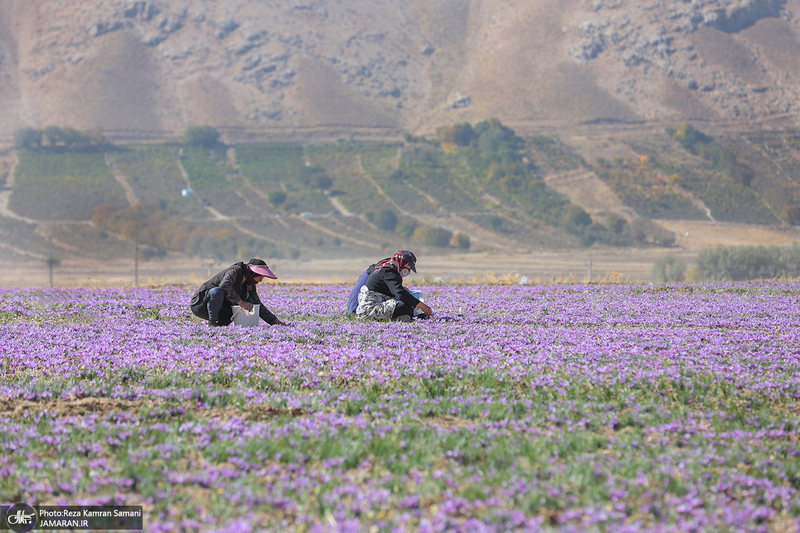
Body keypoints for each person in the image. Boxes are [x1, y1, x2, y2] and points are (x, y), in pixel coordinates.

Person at [190, 258, 286, 327]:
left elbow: (258, 304)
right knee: (217, 291)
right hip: (201, 305)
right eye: (260, 277)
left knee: (250, 300)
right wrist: (241, 302)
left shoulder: (250, 284)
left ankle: (219, 327)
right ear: (253, 273)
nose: (260, 280)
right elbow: (225, 285)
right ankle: (212, 323)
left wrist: (275, 322)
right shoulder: (236, 271)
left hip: (219, 308)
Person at [355, 250, 432, 322]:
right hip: (370, 309)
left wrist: (395, 286)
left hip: (366, 307)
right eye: (408, 268)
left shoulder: (385, 264)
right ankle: (406, 317)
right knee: (406, 306)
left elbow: (381, 279)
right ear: (402, 264)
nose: (408, 271)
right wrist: (422, 306)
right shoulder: (389, 271)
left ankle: (404, 317)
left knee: (407, 305)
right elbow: (400, 293)